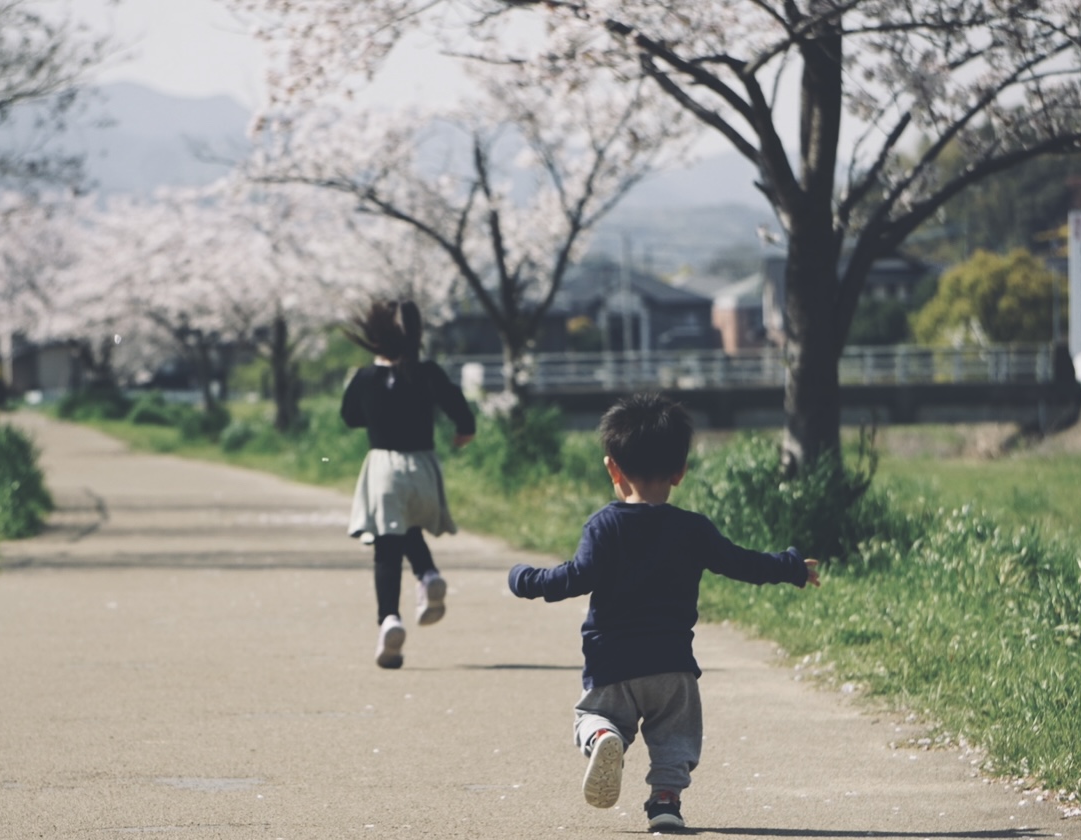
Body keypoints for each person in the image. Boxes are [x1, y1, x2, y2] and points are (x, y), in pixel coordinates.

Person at [507, 393, 820, 832]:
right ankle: (665, 801)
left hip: (612, 662)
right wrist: (790, 567)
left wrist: (524, 579)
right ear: (680, 471)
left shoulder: (604, 525)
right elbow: (741, 563)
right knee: (675, 738)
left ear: (612, 468)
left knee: (592, 717)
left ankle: (604, 737)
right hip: (672, 666)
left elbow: (572, 579)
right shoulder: (693, 529)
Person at [340, 299, 476, 669]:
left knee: (387, 545)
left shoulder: (365, 379)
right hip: (424, 467)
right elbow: (461, 410)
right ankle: (428, 575)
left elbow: (350, 417)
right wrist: (464, 432)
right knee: (407, 526)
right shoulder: (427, 373)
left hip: (384, 469)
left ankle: (389, 620)